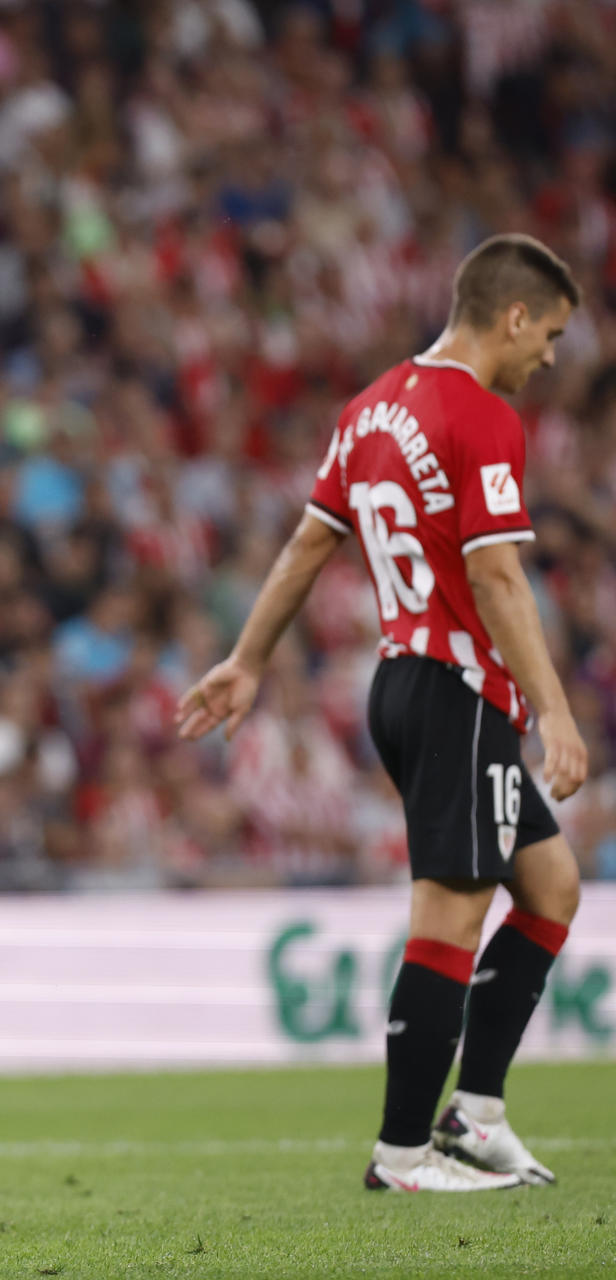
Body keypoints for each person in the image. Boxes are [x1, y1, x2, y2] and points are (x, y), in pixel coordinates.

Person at [177, 234, 584, 1193]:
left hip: (399, 685)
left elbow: (309, 547)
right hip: (459, 691)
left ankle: (476, 1116)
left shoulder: (369, 410)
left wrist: (247, 658)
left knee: (552, 885)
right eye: (552, 334)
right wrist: (556, 710)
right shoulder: (480, 415)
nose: (552, 358)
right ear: (513, 315)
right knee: (449, 916)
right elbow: (495, 575)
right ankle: (402, 1156)